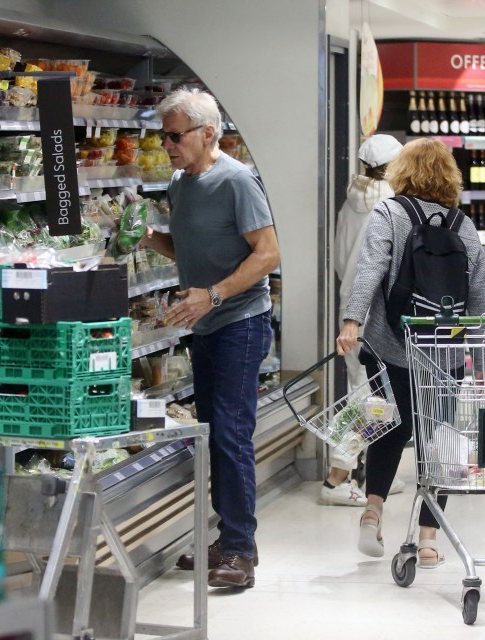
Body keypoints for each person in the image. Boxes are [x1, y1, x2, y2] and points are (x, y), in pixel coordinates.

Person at [141, 88, 279, 589]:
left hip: (239, 323)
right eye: (163, 136)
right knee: (212, 436)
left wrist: (213, 296)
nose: (167, 145)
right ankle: (229, 539)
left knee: (230, 434)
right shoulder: (180, 183)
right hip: (205, 326)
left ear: (207, 133)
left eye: (174, 136)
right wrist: (145, 237)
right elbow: (189, 247)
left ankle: (240, 550)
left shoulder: (237, 181)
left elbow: (267, 254)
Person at [336, 138, 485, 568]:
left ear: (401, 172)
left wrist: (352, 321)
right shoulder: (464, 224)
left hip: (391, 346)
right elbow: (479, 296)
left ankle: (373, 512)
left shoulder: (391, 212)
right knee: (438, 439)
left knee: (389, 429)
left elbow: (371, 267)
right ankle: (427, 539)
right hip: (444, 353)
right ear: (450, 176)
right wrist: (483, 359)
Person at [322, 134, 405, 507]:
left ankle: (373, 475)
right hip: (376, 306)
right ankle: (336, 478)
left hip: (350, 302)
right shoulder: (392, 203)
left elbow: (341, 261)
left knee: (370, 388)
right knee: (368, 393)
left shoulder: (349, 203)